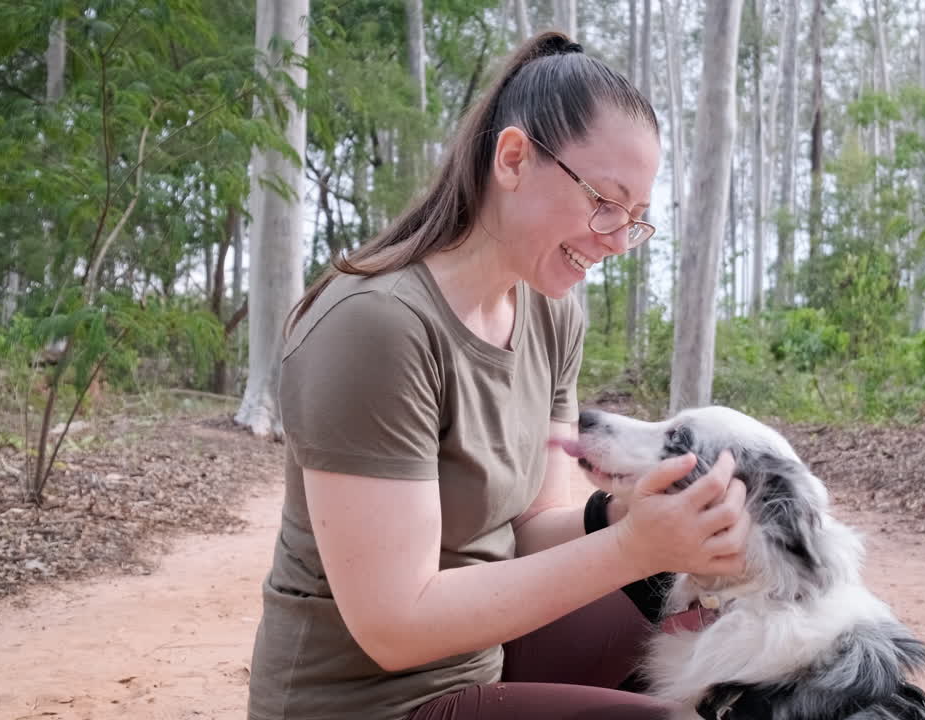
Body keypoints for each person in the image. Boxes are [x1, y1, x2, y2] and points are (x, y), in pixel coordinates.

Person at [246, 31, 750, 720]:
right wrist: (636, 547)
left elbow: (533, 524)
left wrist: (620, 513)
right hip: (365, 701)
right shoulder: (376, 325)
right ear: (512, 159)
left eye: (635, 221)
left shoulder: (550, 313)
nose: (616, 239)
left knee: (722, 654)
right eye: (605, 201)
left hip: (484, 656)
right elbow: (395, 625)